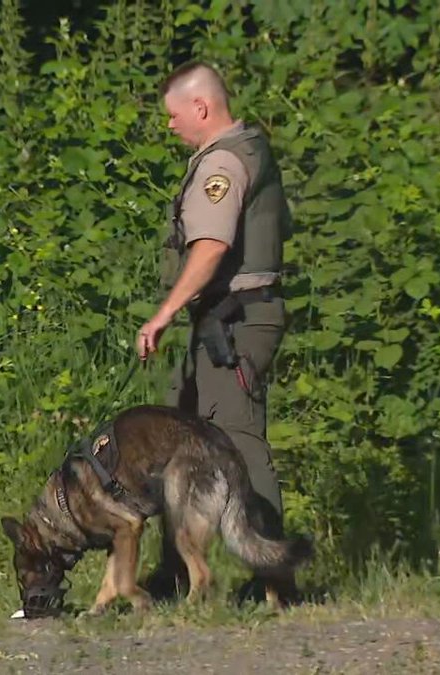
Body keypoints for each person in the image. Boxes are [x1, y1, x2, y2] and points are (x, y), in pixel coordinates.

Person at [135, 61, 296, 604]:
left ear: (200, 108)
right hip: (224, 320)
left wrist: (162, 314)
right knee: (181, 446)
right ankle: (176, 574)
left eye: (174, 116)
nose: (171, 126)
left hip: (237, 320)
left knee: (239, 442)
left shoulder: (222, 162)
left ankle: (275, 579)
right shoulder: (249, 146)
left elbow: (211, 247)